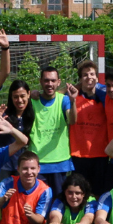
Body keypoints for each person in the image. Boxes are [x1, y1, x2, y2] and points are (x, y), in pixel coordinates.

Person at [28, 66, 77, 196]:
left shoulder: (64, 100)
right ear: (40, 81)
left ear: (58, 82)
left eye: (53, 81)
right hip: (37, 163)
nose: (49, 84)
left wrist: (73, 102)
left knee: (58, 205)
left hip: (59, 163)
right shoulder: (32, 101)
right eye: (46, 80)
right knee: (38, 204)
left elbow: (72, 120)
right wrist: (30, 93)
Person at [68, 58, 112, 199]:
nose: (89, 77)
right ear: (80, 79)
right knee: (78, 193)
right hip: (78, 154)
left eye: (92, 74)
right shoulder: (72, 98)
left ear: (97, 77)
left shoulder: (106, 98)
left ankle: (97, 220)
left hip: (100, 154)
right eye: (85, 75)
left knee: (98, 193)